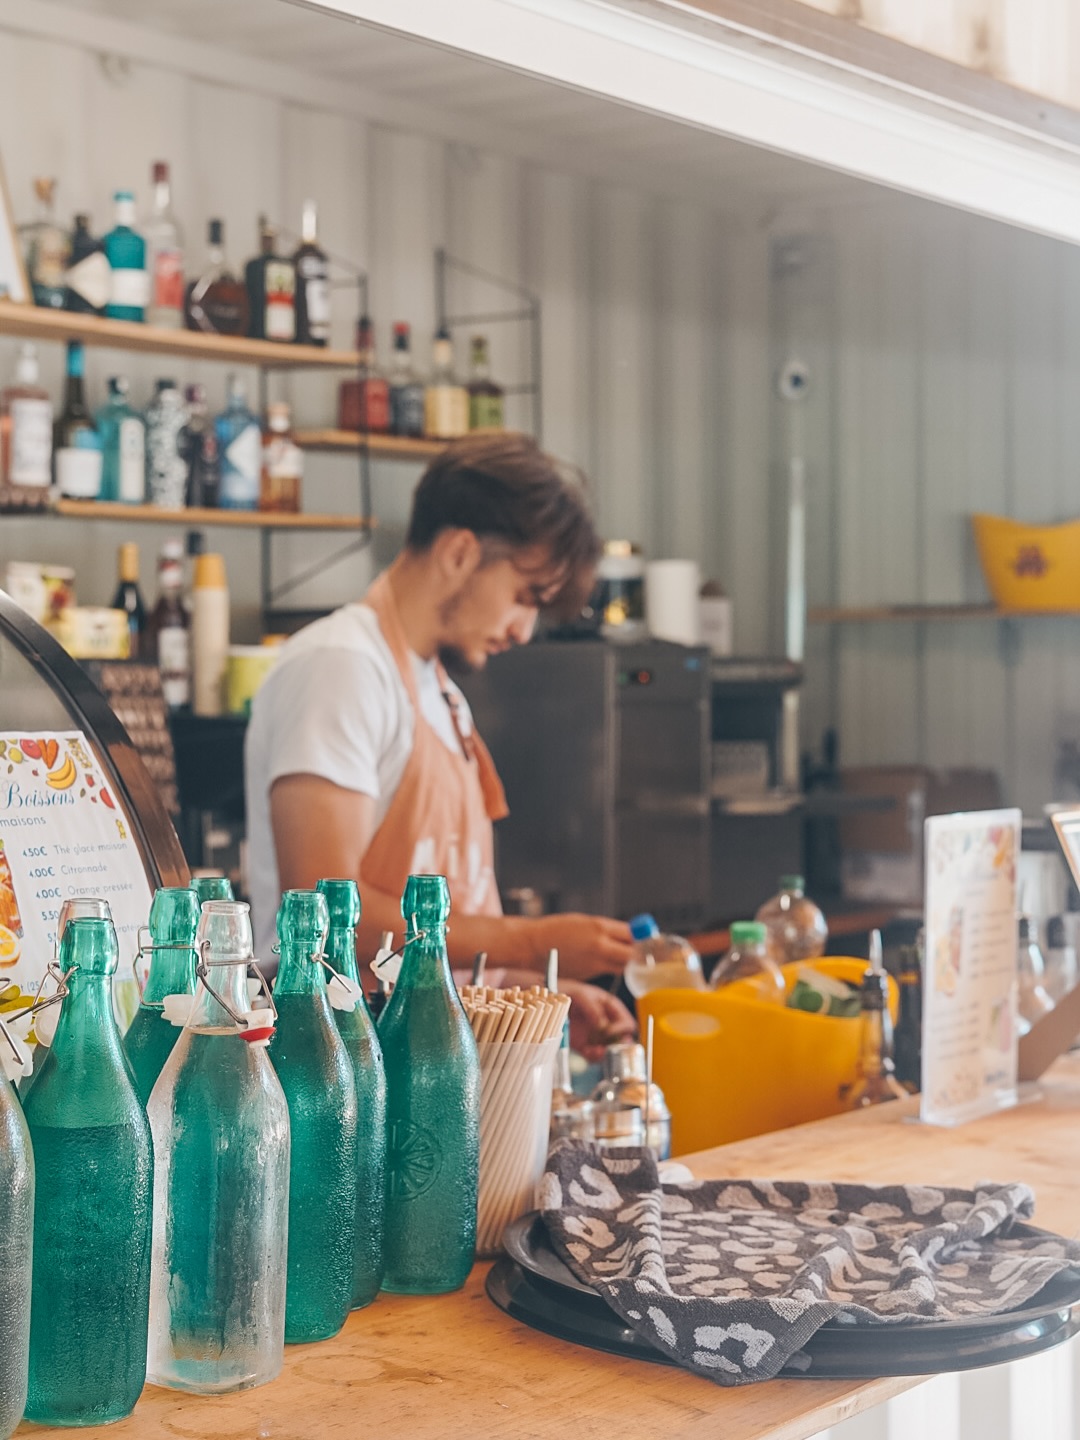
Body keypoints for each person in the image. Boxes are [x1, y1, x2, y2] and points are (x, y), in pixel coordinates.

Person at [244, 433, 635, 1058]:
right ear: (459, 552)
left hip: (426, 1056)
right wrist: (531, 942)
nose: (524, 629)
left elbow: (445, 921)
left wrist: (520, 996)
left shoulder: (443, 693)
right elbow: (320, 914)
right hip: (342, 1063)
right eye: (523, 596)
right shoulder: (341, 668)